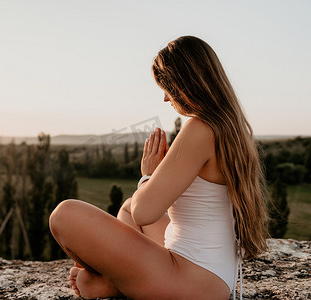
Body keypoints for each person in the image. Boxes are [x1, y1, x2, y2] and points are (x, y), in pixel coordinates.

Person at [49, 36, 268, 299]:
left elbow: (145, 213)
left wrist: (148, 175)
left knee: (64, 215)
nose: (165, 98)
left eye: (168, 87)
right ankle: (119, 280)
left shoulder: (200, 128)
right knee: (127, 206)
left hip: (193, 280)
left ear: (186, 83)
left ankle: (112, 282)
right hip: (215, 275)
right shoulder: (230, 126)